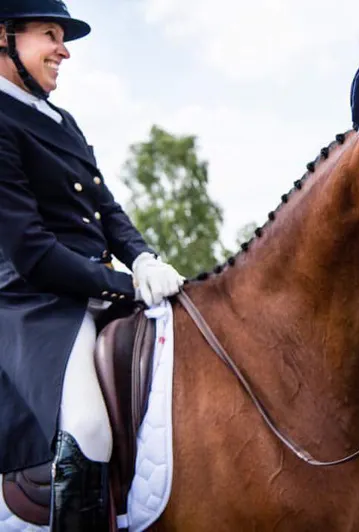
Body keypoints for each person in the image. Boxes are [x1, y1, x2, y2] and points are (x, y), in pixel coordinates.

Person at [0, 2, 185, 530]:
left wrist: (144, 257)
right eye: (49, 35)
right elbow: (32, 251)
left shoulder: (62, 120)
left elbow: (106, 208)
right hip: (37, 306)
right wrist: (123, 285)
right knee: (86, 428)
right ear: (3, 37)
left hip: (94, 287)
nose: (64, 50)